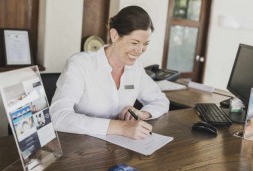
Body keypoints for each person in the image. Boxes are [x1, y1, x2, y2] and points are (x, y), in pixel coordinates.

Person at [50, 6, 169, 140]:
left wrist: (144, 113)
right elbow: (57, 116)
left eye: (145, 44)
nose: (140, 50)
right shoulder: (80, 64)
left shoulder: (136, 69)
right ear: (114, 35)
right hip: (80, 149)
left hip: (119, 149)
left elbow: (161, 100)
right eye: (135, 43)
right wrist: (120, 127)